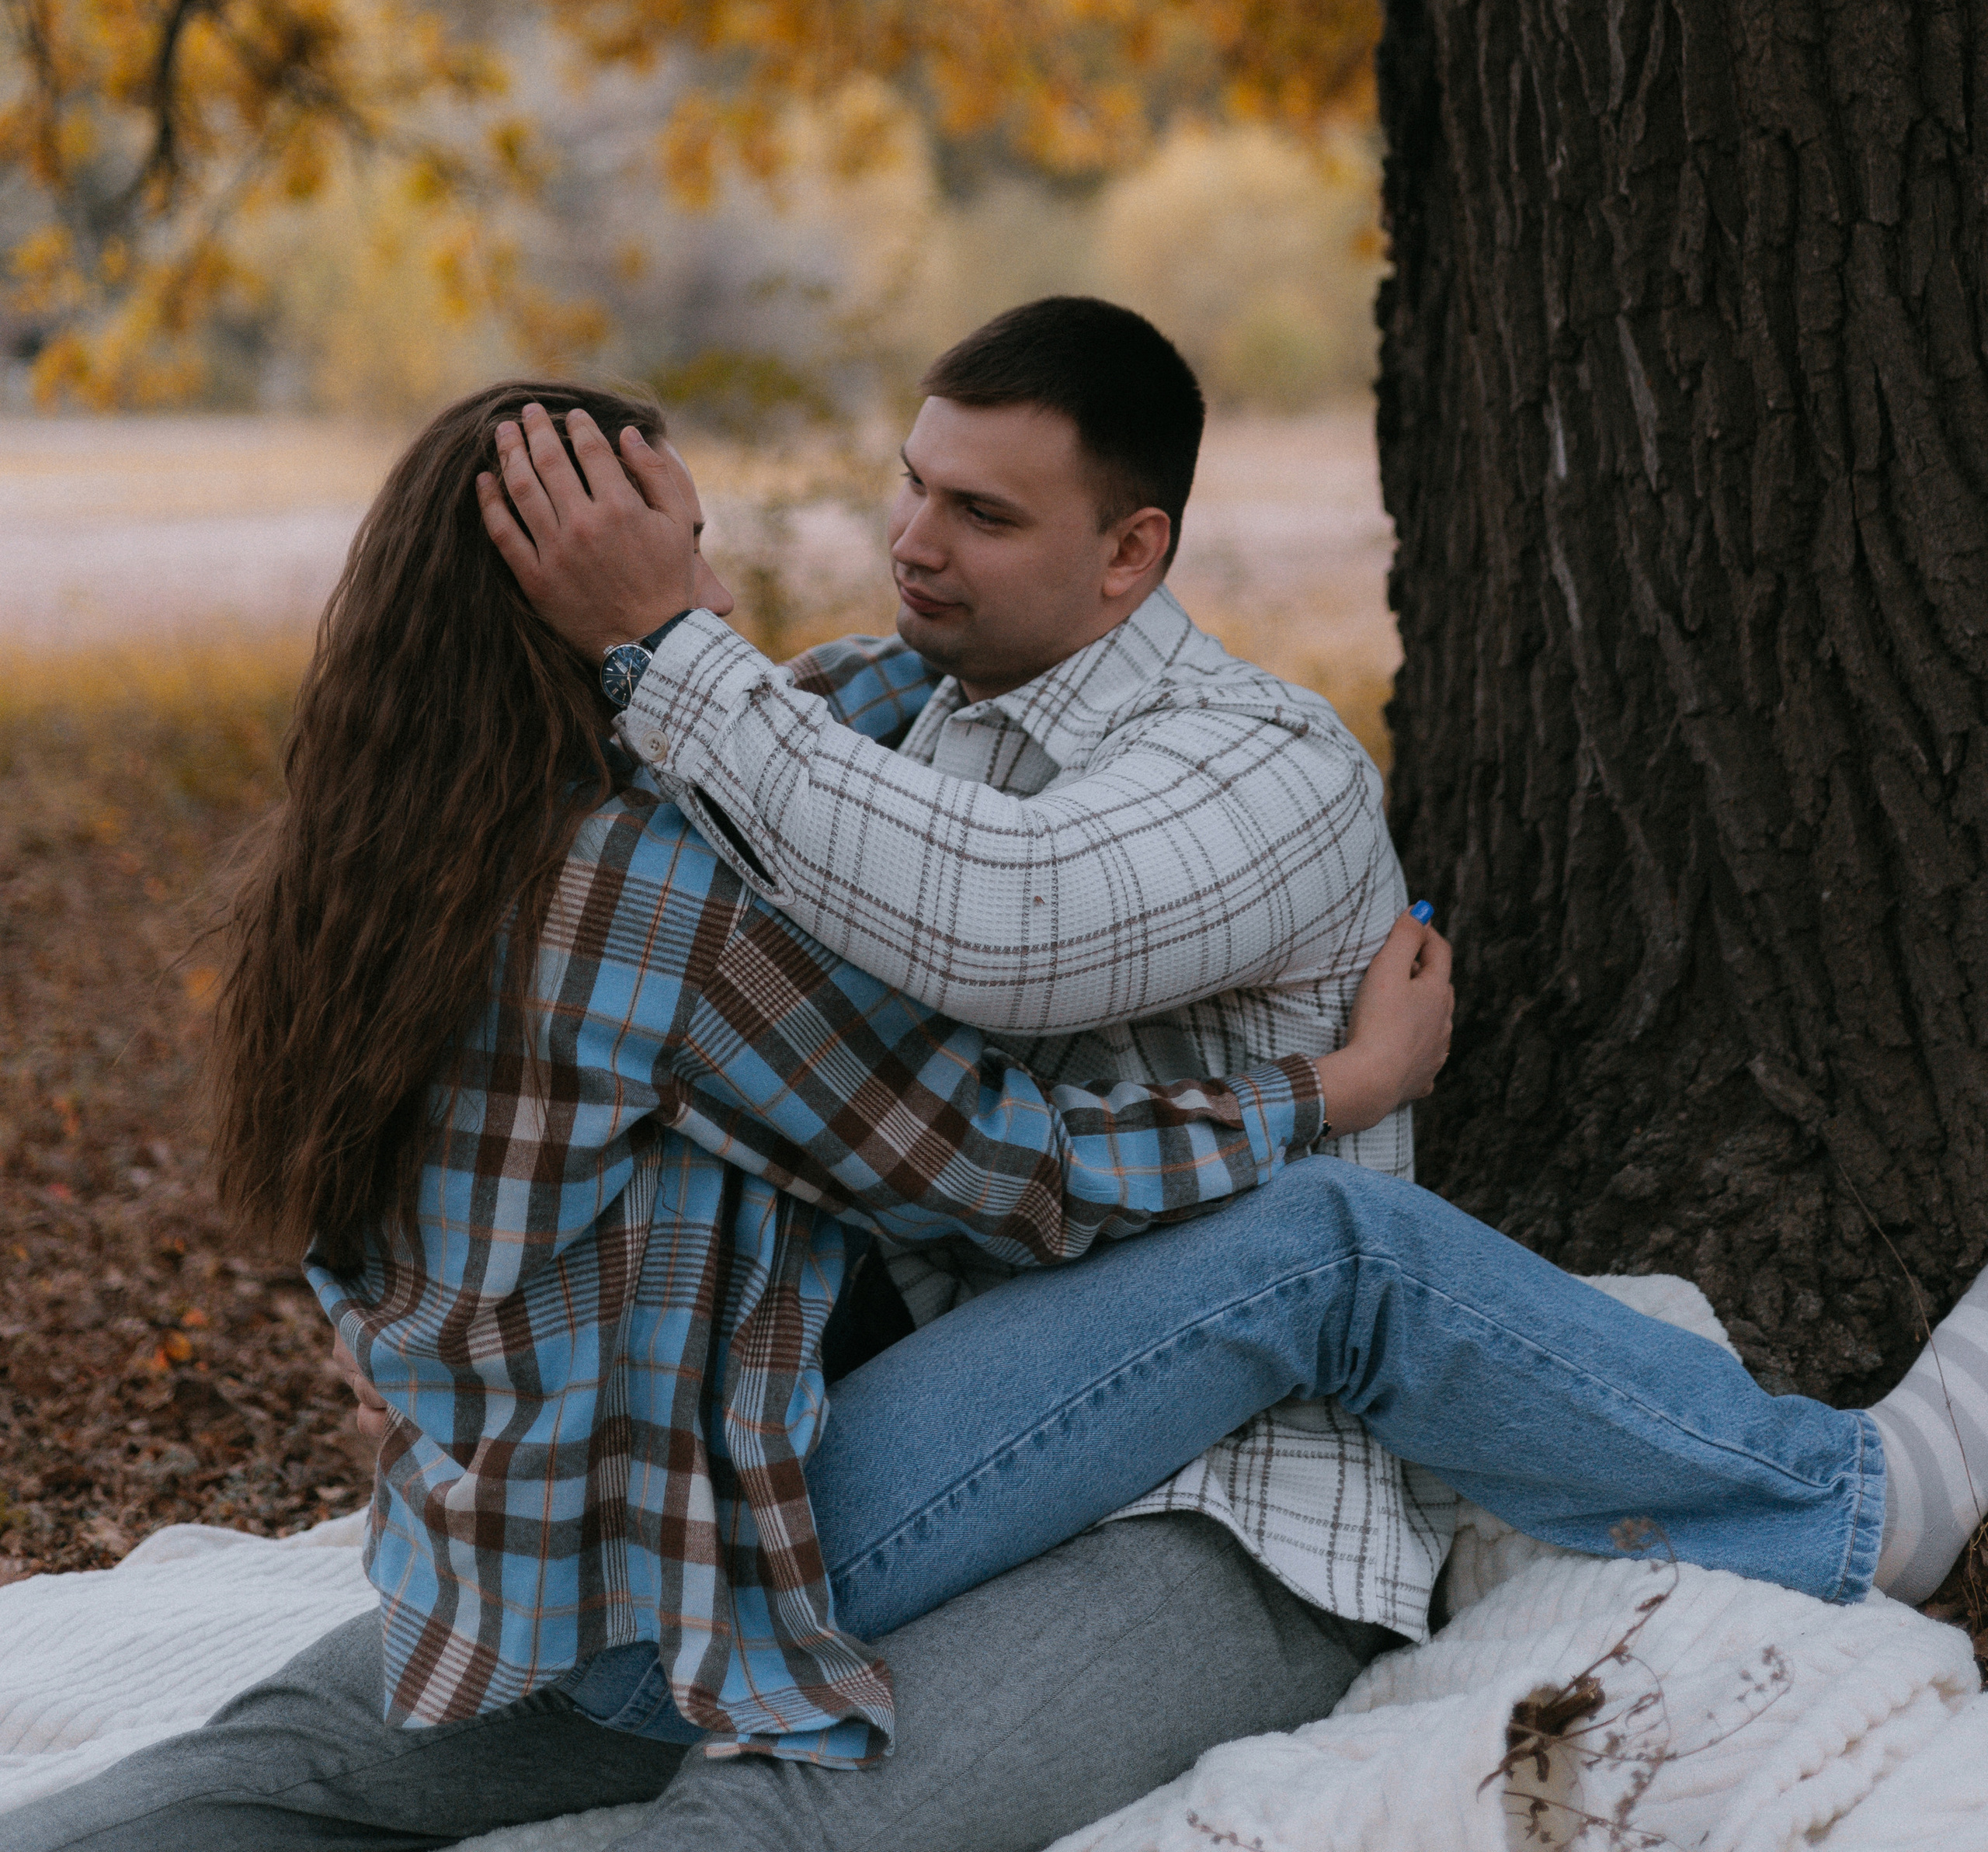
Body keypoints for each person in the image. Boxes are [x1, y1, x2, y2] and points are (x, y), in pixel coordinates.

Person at [14, 338, 1986, 1852]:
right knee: (1327, 1247)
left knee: (262, 1775)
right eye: (674, 569)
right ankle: (1843, 1503)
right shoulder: (635, 896)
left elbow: (797, 724)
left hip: (500, 1536)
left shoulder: (365, 865)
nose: (736, 594)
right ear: (591, 613)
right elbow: (992, 1163)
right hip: (682, 1557)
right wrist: (1335, 1081)